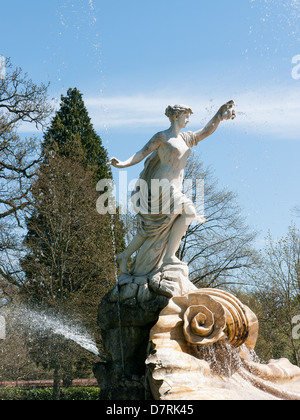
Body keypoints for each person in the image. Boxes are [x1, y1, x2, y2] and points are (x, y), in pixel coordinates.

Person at [110, 101, 236, 276]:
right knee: (190, 211)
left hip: (174, 188)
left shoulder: (185, 139)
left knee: (153, 228)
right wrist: (123, 164)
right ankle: (169, 257)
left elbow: (207, 130)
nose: (188, 121)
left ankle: (124, 255)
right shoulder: (162, 137)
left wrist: (219, 116)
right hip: (160, 185)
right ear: (176, 116)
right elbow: (141, 153)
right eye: (186, 116)